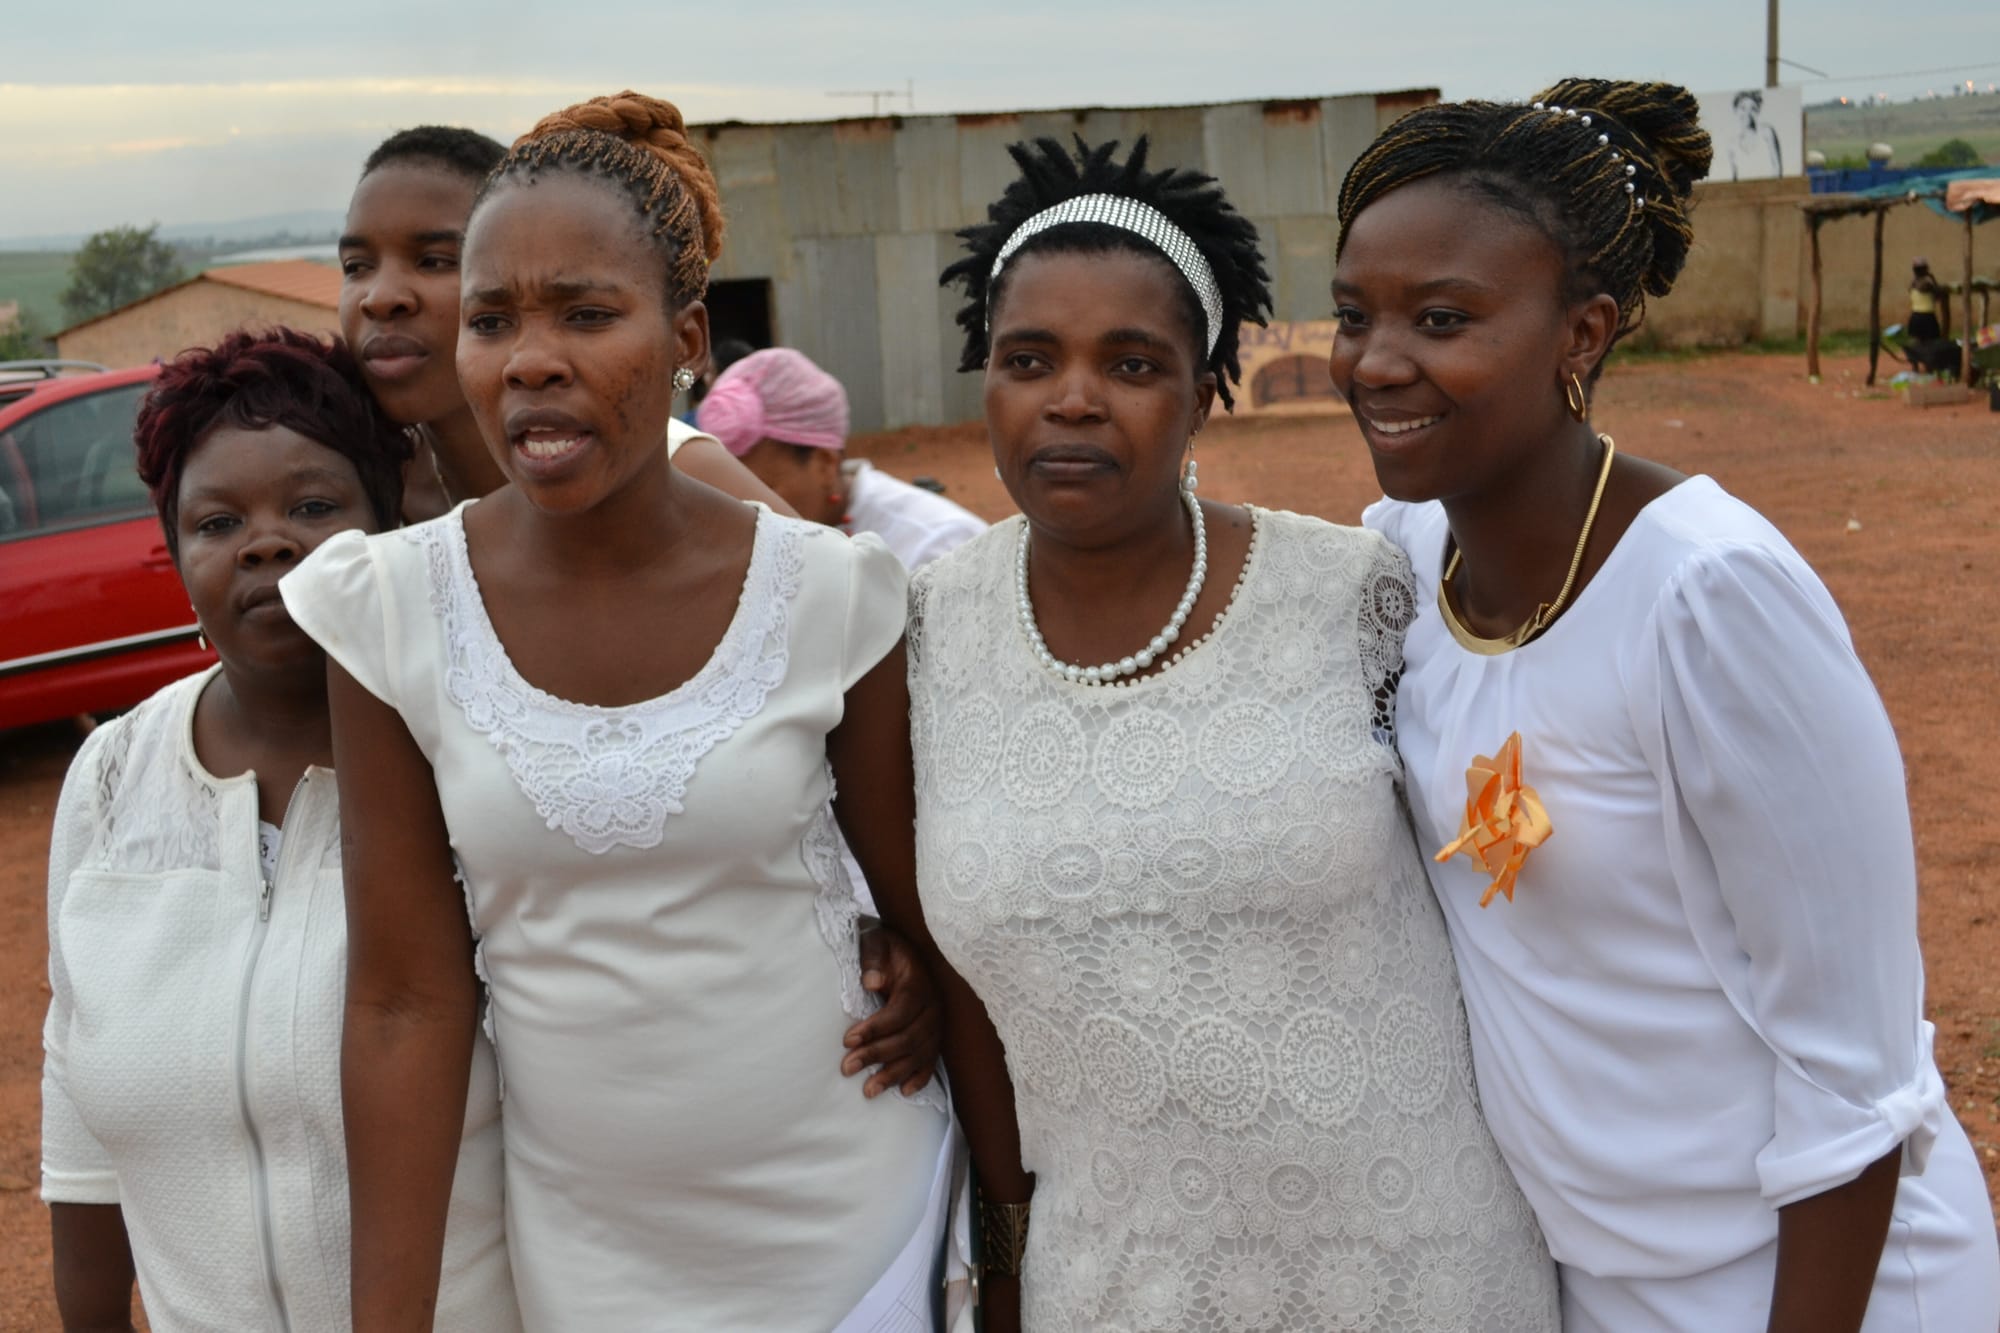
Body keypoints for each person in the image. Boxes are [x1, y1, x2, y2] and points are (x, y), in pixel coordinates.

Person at [1336, 78, 2000, 1331]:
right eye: (1352, 314)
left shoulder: (1706, 596)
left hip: (1818, 1284)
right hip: (1596, 1280)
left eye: (1440, 317)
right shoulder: (1402, 562)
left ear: (1581, 334)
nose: (1374, 361)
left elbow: (1849, 1072)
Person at [283, 92, 952, 1330]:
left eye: (587, 315)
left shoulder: (823, 587)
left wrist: (999, 1231)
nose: (531, 358)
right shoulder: (387, 605)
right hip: (589, 1255)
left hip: (852, 1222)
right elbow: (403, 1000)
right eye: (492, 319)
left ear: (686, 335)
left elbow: (936, 912)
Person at [879, 134, 1559, 1333]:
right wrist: (1001, 1263)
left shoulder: (1357, 597)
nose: (1071, 397)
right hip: (1113, 1286)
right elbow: (944, 989)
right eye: (1027, 359)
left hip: (1421, 1270)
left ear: (1201, 396)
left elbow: (1527, 878)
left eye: (1130, 363)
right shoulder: (920, 639)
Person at [41, 328, 520, 1330]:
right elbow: (76, 1096)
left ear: (390, 521)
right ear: (177, 553)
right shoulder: (114, 776)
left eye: (312, 506)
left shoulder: (478, 759)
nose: (266, 543)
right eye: (217, 522)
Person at [338, 124, 790, 518]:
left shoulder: (688, 475)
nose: (380, 298)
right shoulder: (354, 479)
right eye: (356, 266)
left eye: (434, 261)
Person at [698, 346, 987, 569]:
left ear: (825, 464)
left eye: (762, 492)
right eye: (728, 495)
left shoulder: (938, 547)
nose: (741, 515)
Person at [1723, 88, 1783, 180]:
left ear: (1758, 111)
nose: (1747, 113)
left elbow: (1777, 168)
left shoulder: (1766, 132)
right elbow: (1733, 178)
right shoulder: (1732, 144)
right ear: (1736, 110)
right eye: (1743, 108)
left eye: (1753, 108)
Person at [1908, 257, 1945, 342]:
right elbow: (1938, 296)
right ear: (1926, 270)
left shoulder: (1912, 284)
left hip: (1915, 316)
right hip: (1927, 317)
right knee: (1932, 341)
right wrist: (1933, 279)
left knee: (1917, 341)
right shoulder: (1927, 285)